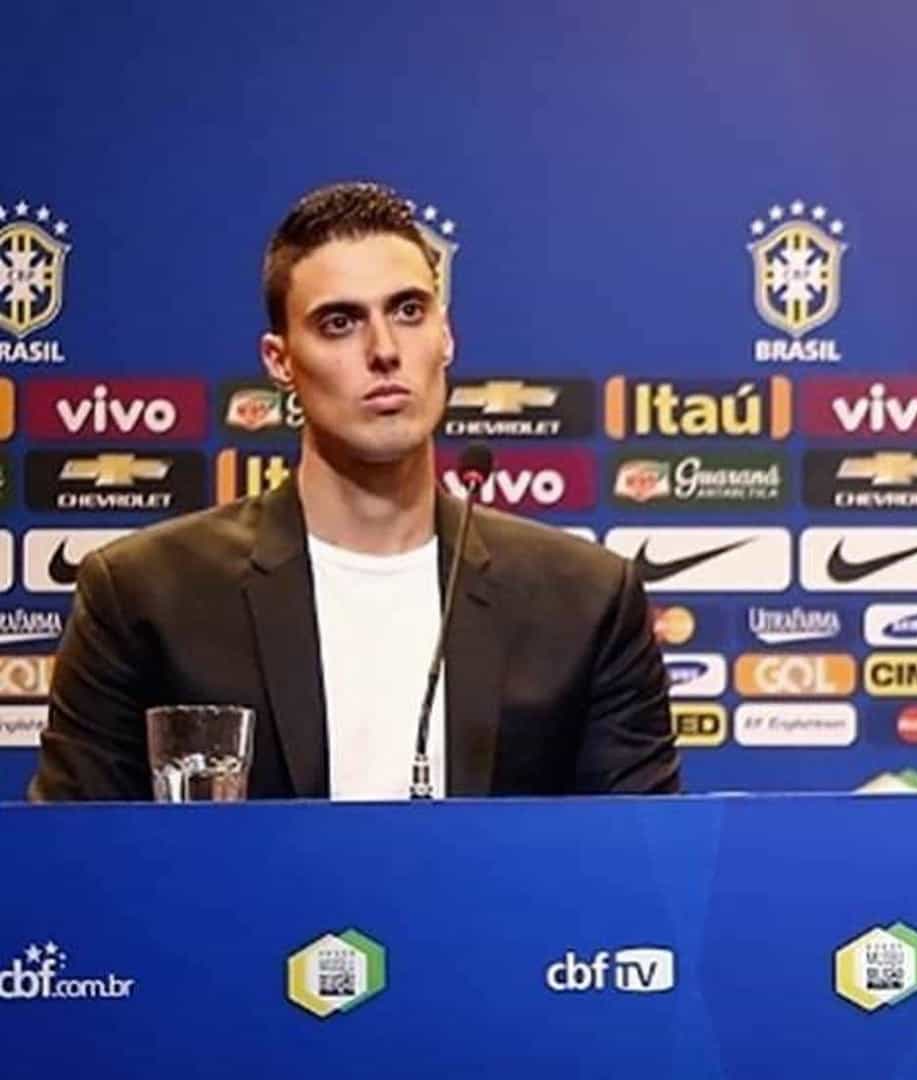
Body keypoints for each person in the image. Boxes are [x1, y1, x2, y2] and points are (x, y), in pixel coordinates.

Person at [31, 182, 678, 800]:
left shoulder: (586, 602)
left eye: (409, 311)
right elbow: (75, 858)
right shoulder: (145, 597)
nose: (385, 349)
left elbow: (642, 862)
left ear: (446, 335)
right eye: (340, 322)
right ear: (280, 360)